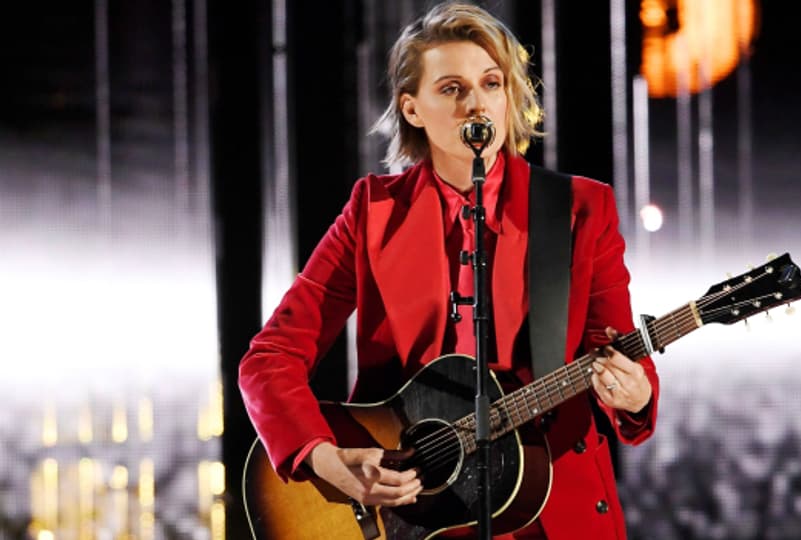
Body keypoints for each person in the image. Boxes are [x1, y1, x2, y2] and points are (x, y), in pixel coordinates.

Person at [238, 2, 659, 539]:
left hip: (548, 508)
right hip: (412, 514)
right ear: (412, 109)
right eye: (452, 89)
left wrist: (636, 395)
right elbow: (270, 358)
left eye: (491, 83)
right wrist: (325, 459)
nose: (476, 104)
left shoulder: (580, 208)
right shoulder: (373, 211)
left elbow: (618, 351)